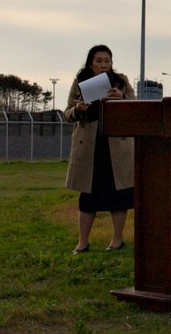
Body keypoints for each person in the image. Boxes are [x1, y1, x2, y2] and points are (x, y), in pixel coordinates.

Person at [63, 45, 136, 254]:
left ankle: (117, 241)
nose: (104, 65)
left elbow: (136, 106)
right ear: (90, 63)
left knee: (118, 196)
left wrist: (121, 97)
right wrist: (78, 109)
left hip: (116, 145)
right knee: (88, 197)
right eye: (99, 61)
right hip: (90, 145)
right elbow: (67, 113)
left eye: (107, 61)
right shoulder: (80, 82)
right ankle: (82, 242)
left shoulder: (121, 81)